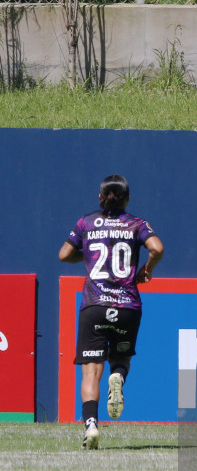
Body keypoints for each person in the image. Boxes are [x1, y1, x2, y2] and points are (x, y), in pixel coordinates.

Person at [59, 175, 164, 449]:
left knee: (90, 372)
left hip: (94, 306)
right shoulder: (136, 224)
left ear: (100, 197)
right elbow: (157, 248)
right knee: (121, 359)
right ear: (127, 198)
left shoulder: (86, 222)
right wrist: (147, 269)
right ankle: (117, 376)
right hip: (127, 305)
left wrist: (88, 254)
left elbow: (63, 254)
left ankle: (91, 425)